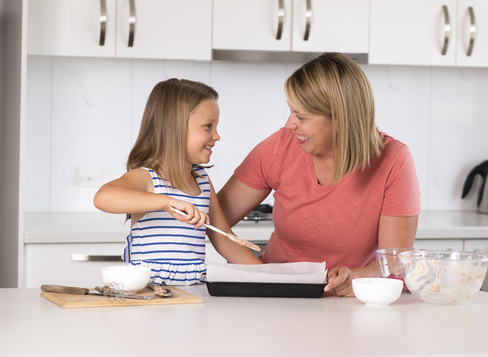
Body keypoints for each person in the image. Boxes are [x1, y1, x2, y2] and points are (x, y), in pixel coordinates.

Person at [217, 53, 420, 297]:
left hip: (351, 303)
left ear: (340, 120)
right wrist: (262, 274)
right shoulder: (280, 147)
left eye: (301, 117)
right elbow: (212, 219)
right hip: (276, 299)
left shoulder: (393, 160)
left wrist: (354, 277)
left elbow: (394, 264)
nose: (290, 124)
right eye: (291, 112)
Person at [94, 78, 261, 286]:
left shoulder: (201, 181)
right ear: (175, 128)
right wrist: (165, 202)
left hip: (194, 289)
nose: (217, 136)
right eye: (208, 126)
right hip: (151, 292)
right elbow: (103, 198)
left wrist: (271, 276)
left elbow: (226, 240)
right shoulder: (146, 178)